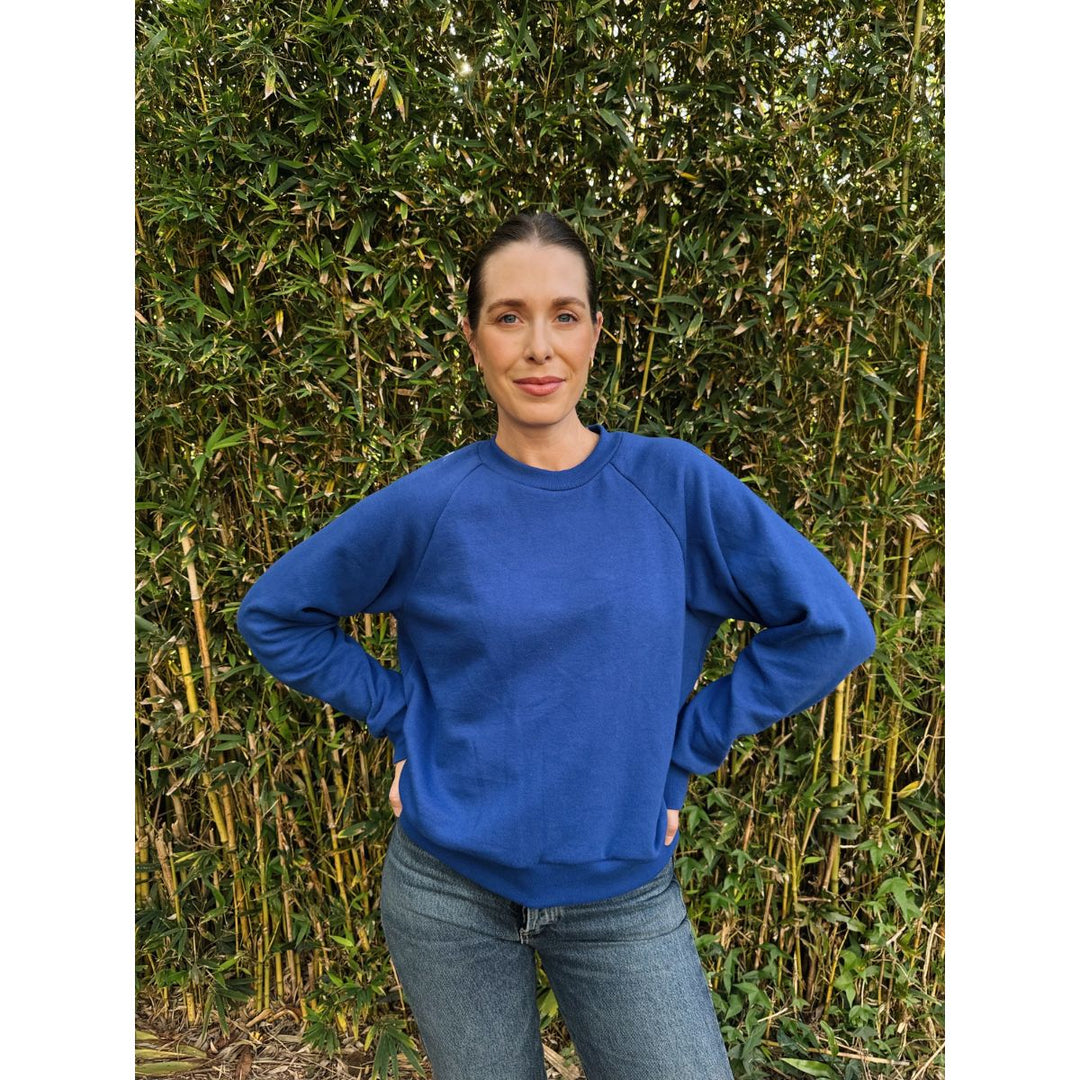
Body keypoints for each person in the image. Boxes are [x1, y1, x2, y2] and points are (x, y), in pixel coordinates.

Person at [237, 212, 876, 1080]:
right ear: (473, 340)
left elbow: (831, 627)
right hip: (444, 894)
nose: (539, 346)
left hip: (621, 897)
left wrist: (682, 754)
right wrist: (404, 722)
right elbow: (275, 613)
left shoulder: (673, 487)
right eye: (509, 316)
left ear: (595, 333)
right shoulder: (431, 506)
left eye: (564, 315)